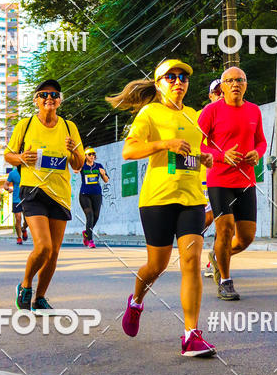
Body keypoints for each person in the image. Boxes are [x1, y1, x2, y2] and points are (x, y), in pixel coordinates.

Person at [107, 59, 216, 357]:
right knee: (156, 266)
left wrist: (203, 160)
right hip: (157, 200)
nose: (178, 81)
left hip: (191, 199)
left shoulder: (195, 116)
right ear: (158, 84)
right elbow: (129, 150)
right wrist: (164, 143)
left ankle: (191, 335)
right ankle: (136, 301)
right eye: (171, 77)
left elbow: (192, 155)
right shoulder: (150, 113)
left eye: (183, 77)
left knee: (191, 261)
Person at [5, 78, 85, 312]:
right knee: (43, 247)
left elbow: (78, 164)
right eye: (44, 94)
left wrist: (73, 151)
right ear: (36, 100)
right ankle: (26, 284)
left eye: (54, 94)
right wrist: (21, 159)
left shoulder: (69, 127)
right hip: (33, 192)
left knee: (54, 252)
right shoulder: (26, 124)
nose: (49, 98)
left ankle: (40, 297)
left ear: (60, 100)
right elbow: (8, 155)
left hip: (60, 194)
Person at [198, 66, 267, 300]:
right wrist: (221, 155)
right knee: (225, 229)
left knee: (246, 237)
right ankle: (225, 281)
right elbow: (199, 145)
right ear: (223, 86)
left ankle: (218, 257)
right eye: (230, 81)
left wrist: (257, 154)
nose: (235, 84)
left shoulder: (254, 111)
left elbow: (261, 142)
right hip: (219, 179)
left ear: (246, 85)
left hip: (246, 180)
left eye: (240, 80)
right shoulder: (211, 111)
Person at [203, 79, 222, 277]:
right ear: (211, 96)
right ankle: (189, 242)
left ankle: (214, 260)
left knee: (225, 222)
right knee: (209, 218)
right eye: (217, 93)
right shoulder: (203, 116)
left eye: (223, 92)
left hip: (228, 178)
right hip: (204, 177)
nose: (221, 96)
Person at [78, 148, 109, 248]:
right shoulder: (82, 166)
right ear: (85, 156)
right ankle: (90, 240)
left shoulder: (99, 166)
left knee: (96, 216)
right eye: (89, 154)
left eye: (93, 154)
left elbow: (106, 180)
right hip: (84, 194)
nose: (92, 156)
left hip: (97, 194)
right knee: (90, 215)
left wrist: (103, 174)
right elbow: (75, 170)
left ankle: (87, 232)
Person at [6, 165, 28, 244]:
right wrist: (8, 189)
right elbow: (6, 185)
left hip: (27, 199)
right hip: (16, 199)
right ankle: (19, 237)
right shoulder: (12, 173)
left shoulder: (28, 171)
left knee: (27, 221)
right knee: (18, 218)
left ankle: (24, 229)